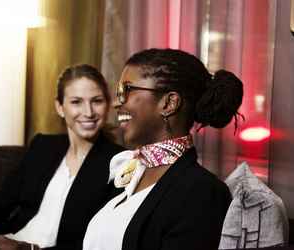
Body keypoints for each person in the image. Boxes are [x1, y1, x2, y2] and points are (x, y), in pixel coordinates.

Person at [82, 48, 243, 250]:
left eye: (127, 90)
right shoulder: (128, 171)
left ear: (169, 103)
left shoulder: (202, 193)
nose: (116, 102)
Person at [0, 64, 124, 250]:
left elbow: (97, 242)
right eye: (76, 102)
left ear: (107, 105)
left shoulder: (118, 162)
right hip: (7, 240)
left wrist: (25, 248)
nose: (88, 112)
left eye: (97, 101)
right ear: (60, 107)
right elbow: (3, 199)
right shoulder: (44, 146)